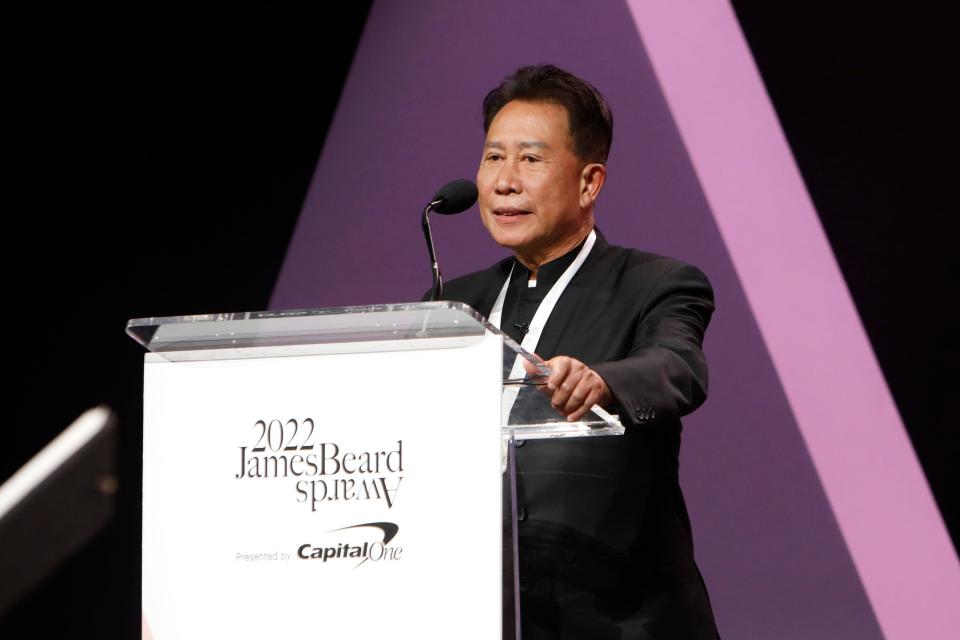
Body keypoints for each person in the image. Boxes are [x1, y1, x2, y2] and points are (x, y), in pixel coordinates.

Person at [440, 64, 720, 638]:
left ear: (589, 182)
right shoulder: (451, 305)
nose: (504, 181)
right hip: (484, 613)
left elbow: (678, 366)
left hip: (620, 619)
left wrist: (603, 381)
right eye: (494, 157)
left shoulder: (656, 283)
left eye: (531, 159)